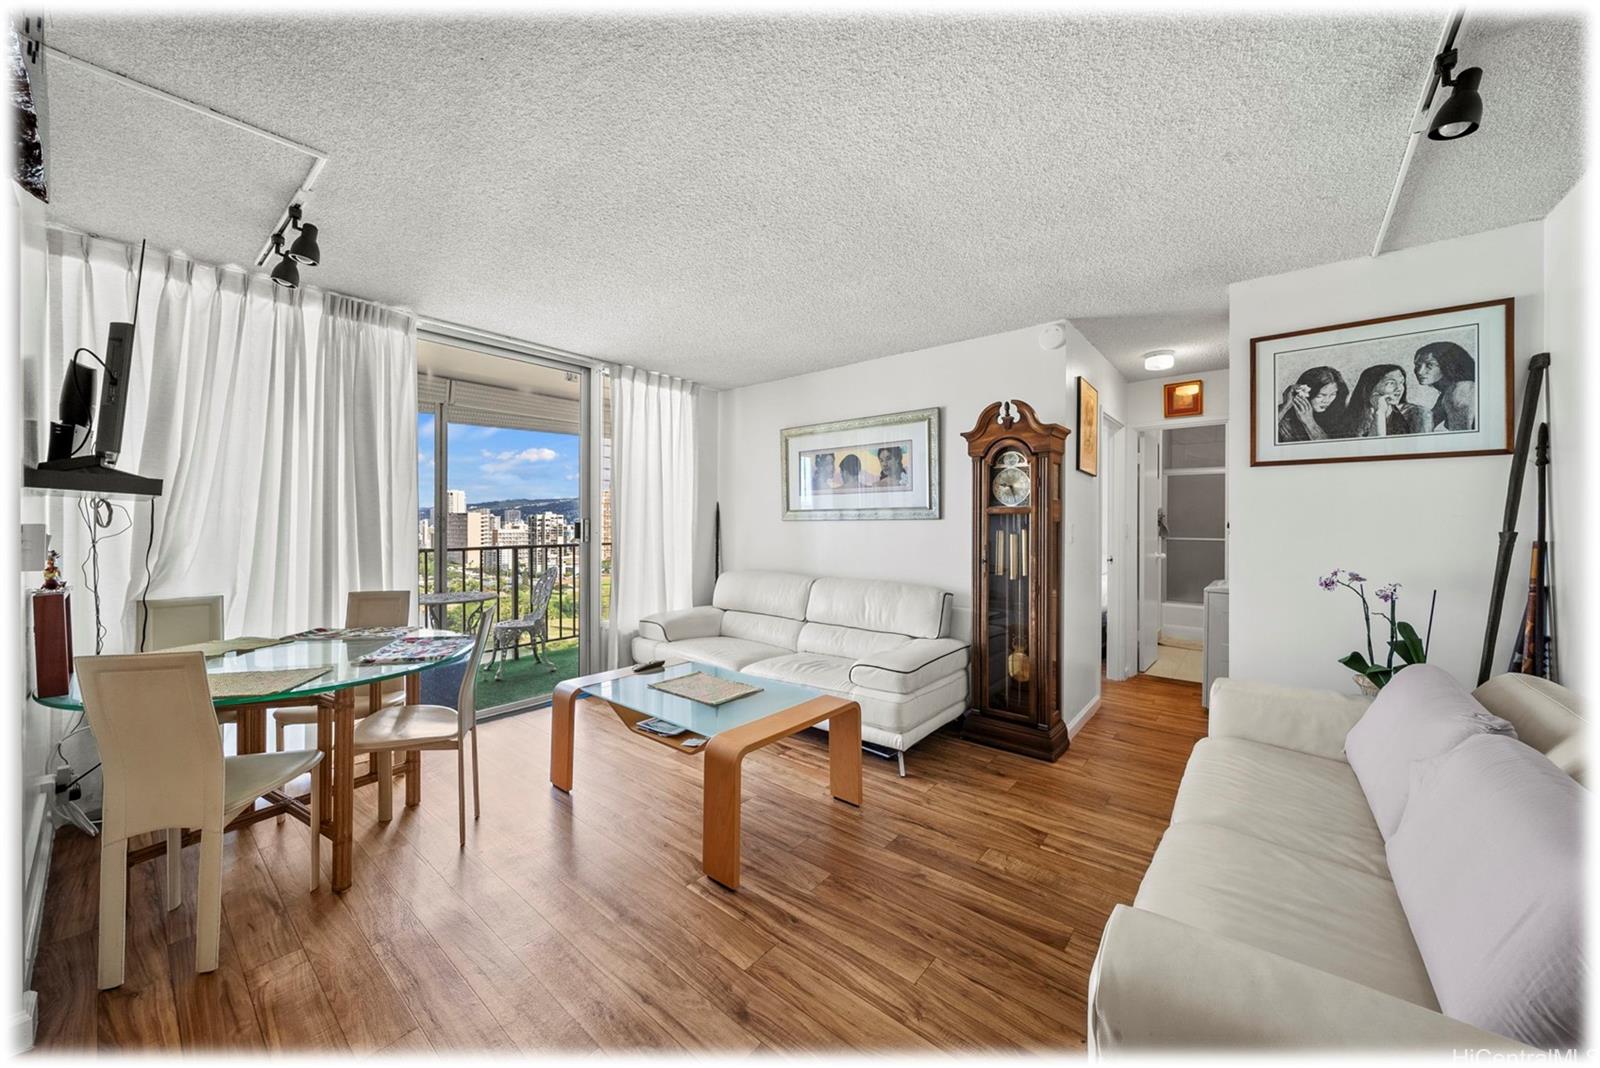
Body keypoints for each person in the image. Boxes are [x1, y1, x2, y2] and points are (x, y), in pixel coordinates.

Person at [1343, 364, 1421, 437]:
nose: (1399, 388)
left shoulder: (1411, 413)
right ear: (1371, 387)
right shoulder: (1352, 418)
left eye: (1401, 382)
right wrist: (1379, 411)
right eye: (1391, 383)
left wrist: (1380, 413)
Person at [1413, 341, 1477, 432]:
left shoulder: (1461, 390)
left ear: (1447, 365)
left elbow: (1462, 436)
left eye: (1429, 365)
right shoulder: (1448, 393)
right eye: (1417, 365)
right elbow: (1424, 427)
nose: (1419, 371)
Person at [1276, 366, 1349, 442]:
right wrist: (1286, 406)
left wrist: (1309, 422)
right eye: (1320, 395)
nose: (1327, 401)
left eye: (1333, 394)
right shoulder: (1283, 416)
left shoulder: (1342, 415)